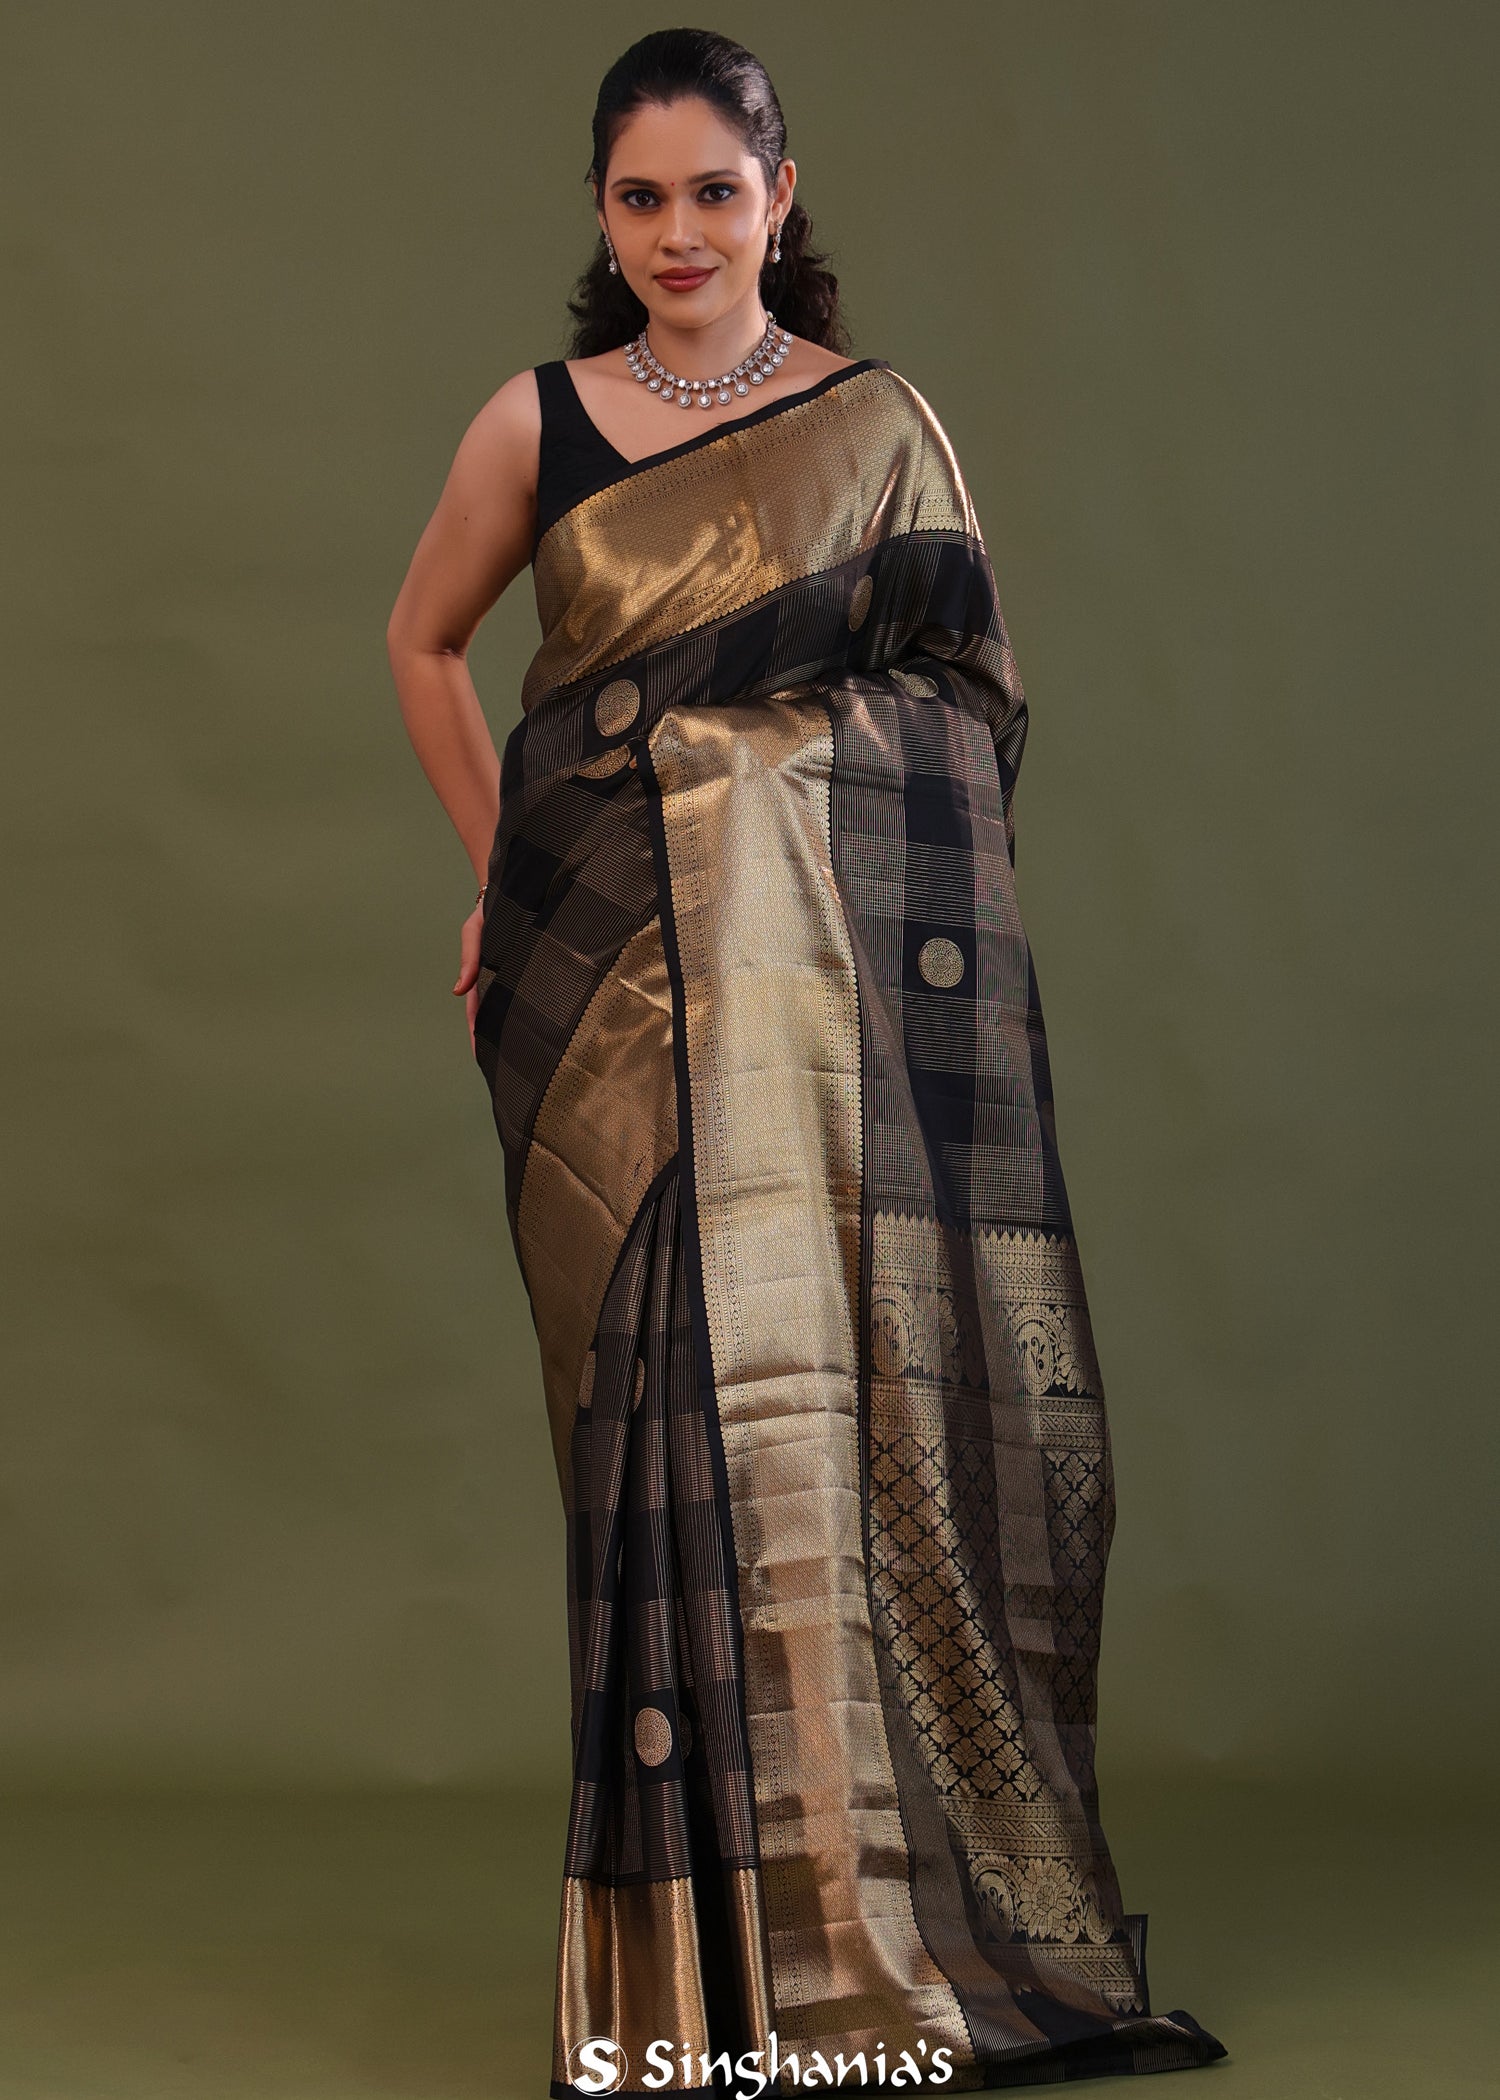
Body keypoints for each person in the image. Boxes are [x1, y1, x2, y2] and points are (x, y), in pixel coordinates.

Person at [386, 27, 1227, 2097]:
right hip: (602, 1001)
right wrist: (509, 865)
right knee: (656, 1443)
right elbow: (423, 645)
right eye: (640, 197)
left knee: (832, 1424)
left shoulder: (876, 432)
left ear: (779, 192)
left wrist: (735, 771)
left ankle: (865, 1950)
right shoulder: (534, 422)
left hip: (819, 1021)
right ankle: (689, 1988)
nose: (679, 233)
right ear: (602, 211)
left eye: (715, 191)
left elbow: (961, 711)